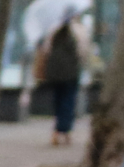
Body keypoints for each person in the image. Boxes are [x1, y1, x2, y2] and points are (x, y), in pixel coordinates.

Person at [34, 12, 90, 154]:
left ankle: (57, 130)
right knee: (68, 101)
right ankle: (65, 130)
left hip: (55, 73)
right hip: (71, 73)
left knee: (58, 100)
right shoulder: (79, 30)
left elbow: (46, 51)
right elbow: (83, 52)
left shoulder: (53, 29)